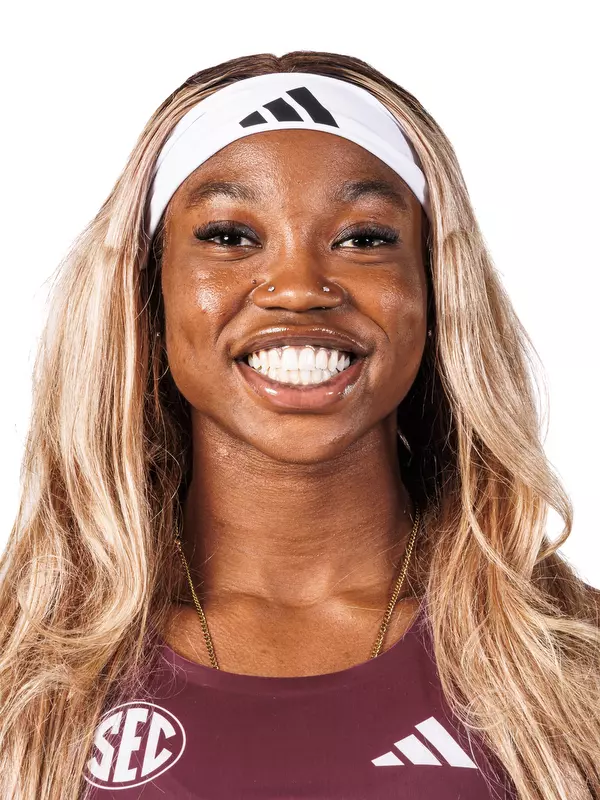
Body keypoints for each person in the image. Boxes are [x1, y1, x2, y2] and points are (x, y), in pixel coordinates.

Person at [0, 51, 598, 800]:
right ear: (147, 293)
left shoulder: (572, 667)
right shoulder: (22, 675)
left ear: (436, 291)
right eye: (228, 236)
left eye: (364, 238)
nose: (298, 289)